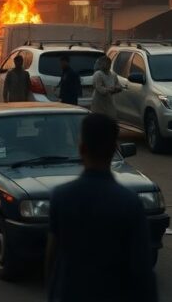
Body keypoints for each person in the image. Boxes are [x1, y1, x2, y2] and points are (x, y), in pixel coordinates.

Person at [46, 113, 156, 302]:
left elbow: (51, 259)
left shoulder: (61, 197)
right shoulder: (129, 203)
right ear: (114, 150)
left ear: (81, 149)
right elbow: (142, 269)